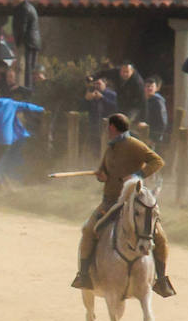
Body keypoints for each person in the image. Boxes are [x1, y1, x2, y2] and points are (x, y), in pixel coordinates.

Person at [72, 113, 174, 297]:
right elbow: (105, 171)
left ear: (112, 127)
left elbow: (158, 161)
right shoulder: (110, 147)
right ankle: (85, 275)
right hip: (110, 200)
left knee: (160, 238)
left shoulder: (134, 145)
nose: (106, 130)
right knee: (88, 230)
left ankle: (161, 279)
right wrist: (101, 175)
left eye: (107, 127)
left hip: (133, 202)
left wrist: (138, 175)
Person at [11, 0, 41, 87]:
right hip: (33, 41)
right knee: (31, 67)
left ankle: (27, 89)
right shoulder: (27, 7)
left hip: (28, 42)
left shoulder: (23, 9)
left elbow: (21, 27)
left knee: (26, 67)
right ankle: (30, 87)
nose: (15, 0)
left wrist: (17, 43)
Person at [84, 78, 117, 154]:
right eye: (95, 84)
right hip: (94, 127)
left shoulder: (112, 94)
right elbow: (82, 108)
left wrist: (102, 98)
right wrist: (86, 100)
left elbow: (115, 107)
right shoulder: (91, 94)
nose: (96, 86)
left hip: (108, 127)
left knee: (108, 149)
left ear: (105, 83)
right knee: (95, 150)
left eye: (98, 83)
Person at [145, 76, 168, 147]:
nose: (150, 88)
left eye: (152, 86)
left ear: (156, 88)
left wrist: (154, 139)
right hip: (144, 135)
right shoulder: (143, 101)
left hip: (154, 138)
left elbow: (162, 122)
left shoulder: (158, 102)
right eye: (148, 86)